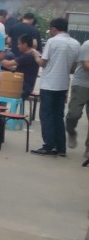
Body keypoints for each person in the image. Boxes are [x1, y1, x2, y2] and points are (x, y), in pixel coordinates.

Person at [30, 17, 81, 158]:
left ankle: (48, 145)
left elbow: (43, 62)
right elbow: (74, 66)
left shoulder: (52, 41)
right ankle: (61, 147)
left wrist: (36, 55)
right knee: (58, 115)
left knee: (46, 115)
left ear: (54, 29)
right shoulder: (76, 43)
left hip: (49, 84)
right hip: (63, 84)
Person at [64, 35, 89, 164]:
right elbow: (86, 65)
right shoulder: (87, 45)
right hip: (81, 85)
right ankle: (71, 131)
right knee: (74, 114)